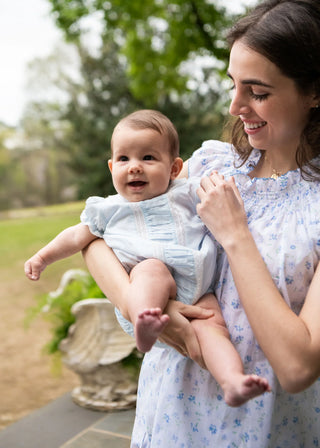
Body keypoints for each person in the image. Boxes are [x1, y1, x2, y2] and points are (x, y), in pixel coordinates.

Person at [81, 0, 320, 446]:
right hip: (171, 415)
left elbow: (298, 367)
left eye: (258, 92)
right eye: (233, 85)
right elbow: (98, 239)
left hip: (264, 428)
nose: (235, 106)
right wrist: (154, 312)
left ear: (314, 92)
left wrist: (234, 235)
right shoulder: (212, 164)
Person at [24, 109, 270, 407]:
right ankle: (145, 321)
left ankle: (232, 381)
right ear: (112, 166)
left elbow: (218, 203)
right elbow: (76, 237)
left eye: (148, 158)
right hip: (149, 285)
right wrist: (42, 257)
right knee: (152, 269)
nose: (135, 167)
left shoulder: (187, 192)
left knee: (213, 327)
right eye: (124, 159)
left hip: (200, 290)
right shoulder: (108, 209)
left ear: (175, 168)